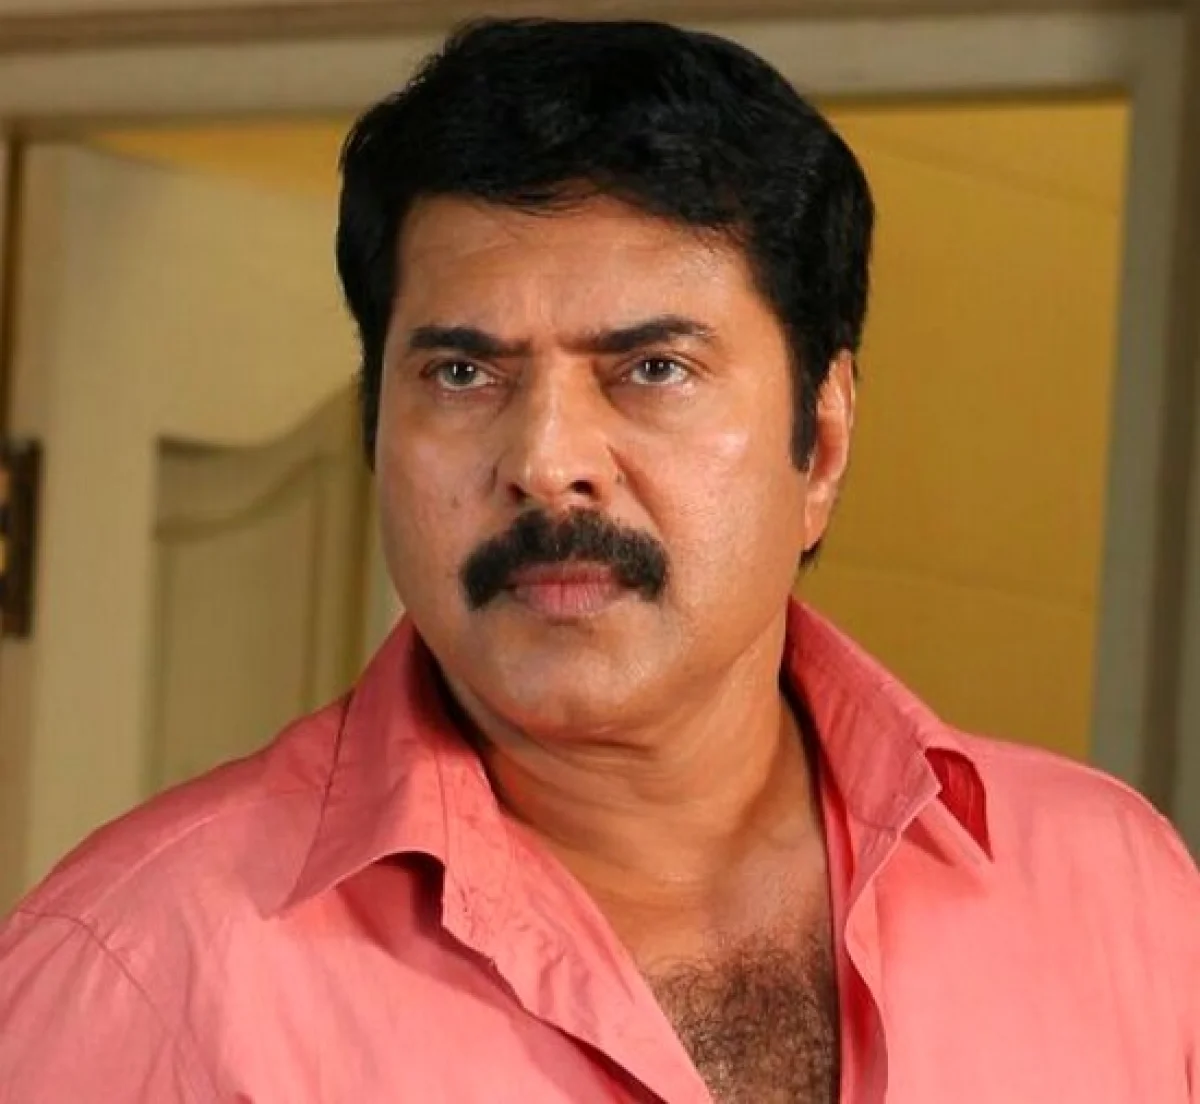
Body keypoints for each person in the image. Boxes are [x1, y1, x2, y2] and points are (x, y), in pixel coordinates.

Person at [0, 16, 1196, 1104]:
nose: (546, 462)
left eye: (652, 369)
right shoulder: (142, 972)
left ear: (822, 442)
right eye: (462, 373)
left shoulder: (1111, 888)